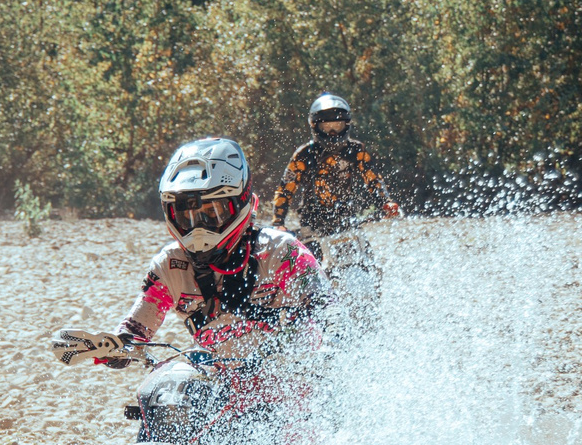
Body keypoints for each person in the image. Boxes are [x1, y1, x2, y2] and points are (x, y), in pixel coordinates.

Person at [51, 136, 328, 382]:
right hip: (220, 384)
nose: (199, 229)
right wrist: (111, 347)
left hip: (291, 381)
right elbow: (136, 329)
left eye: (212, 213)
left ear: (243, 202)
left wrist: (300, 337)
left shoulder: (282, 252)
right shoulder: (170, 265)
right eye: (186, 215)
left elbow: (330, 312)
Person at [270, 93, 400, 251]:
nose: (332, 132)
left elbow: (372, 179)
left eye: (337, 126)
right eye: (326, 126)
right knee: (310, 269)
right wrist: (278, 223)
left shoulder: (356, 150)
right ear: (315, 126)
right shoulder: (303, 155)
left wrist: (385, 202)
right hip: (312, 224)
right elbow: (285, 190)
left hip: (347, 219)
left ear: (346, 125)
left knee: (367, 262)